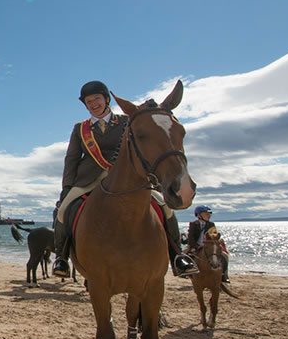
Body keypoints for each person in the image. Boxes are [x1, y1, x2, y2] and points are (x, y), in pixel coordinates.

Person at [51, 80, 197, 279]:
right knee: (63, 210)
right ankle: (62, 256)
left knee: (164, 207)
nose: (93, 104)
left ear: (106, 99)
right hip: (88, 180)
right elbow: (72, 159)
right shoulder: (80, 129)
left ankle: (177, 255)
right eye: (88, 102)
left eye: (96, 99)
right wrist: (67, 187)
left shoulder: (127, 122)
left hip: (125, 178)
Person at [185, 205, 230, 283]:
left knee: (225, 256)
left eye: (209, 214)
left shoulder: (211, 224)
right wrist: (193, 247)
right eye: (206, 214)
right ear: (199, 215)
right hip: (196, 245)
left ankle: (224, 275)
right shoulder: (193, 224)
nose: (208, 216)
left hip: (208, 246)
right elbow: (191, 237)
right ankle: (186, 271)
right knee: (183, 254)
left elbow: (214, 235)